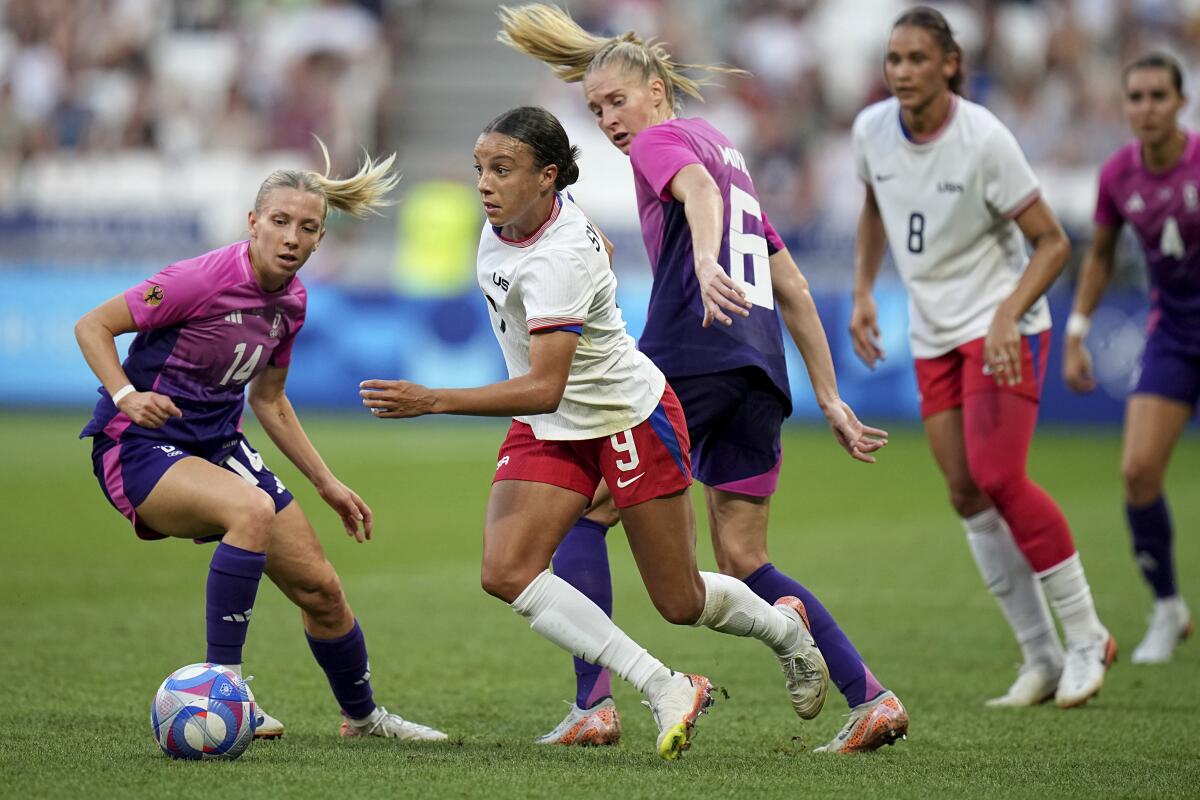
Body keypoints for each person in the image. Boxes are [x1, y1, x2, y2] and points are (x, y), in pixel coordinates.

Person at [360, 105, 832, 761]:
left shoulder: (556, 261)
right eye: (480, 168)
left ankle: (784, 631)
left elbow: (544, 385)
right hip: (554, 427)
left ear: (547, 176)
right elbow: (597, 258)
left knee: (679, 599)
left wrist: (432, 398)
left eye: (502, 169)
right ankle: (664, 685)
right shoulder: (533, 213)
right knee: (506, 570)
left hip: (626, 418)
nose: (485, 184)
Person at [497, 4, 906, 754]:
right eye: (596, 110)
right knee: (744, 559)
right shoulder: (727, 149)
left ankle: (594, 705)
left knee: (586, 513)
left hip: (686, 361)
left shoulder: (664, 143)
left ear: (657, 90)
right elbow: (795, 287)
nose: (611, 121)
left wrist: (707, 262)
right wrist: (829, 396)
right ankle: (870, 695)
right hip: (760, 370)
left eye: (617, 102)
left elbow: (700, 200)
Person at [75, 143, 447, 742]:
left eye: (307, 228)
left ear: (321, 239)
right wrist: (125, 396)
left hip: (219, 446)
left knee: (321, 589)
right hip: (141, 445)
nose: (291, 237)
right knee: (249, 511)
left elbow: (269, 399)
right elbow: (92, 325)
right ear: (253, 223)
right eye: (279, 222)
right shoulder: (197, 279)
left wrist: (327, 483)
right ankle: (224, 690)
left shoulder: (293, 301)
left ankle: (364, 719)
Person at [849, 7, 1114, 709]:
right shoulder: (870, 129)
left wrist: (1003, 315)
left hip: (1006, 324)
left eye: (916, 59)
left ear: (950, 64)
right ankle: (1043, 658)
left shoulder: (984, 140)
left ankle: (1088, 637)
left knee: (999, 476)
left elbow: (1054, 242)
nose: (902, 72)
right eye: (893, 59)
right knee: (965, 490)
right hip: (935, 331)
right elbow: (875, 204)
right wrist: (863, 292)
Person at [1063, 52, 1196, 663]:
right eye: (1135, 97)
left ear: (1181, 102)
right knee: (1138, 471)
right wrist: (1078, 328)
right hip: (1171, 333)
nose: (1146, 108)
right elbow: (1100, 255)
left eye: (1157, 96)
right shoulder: (1118, 174)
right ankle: (1168, 607)